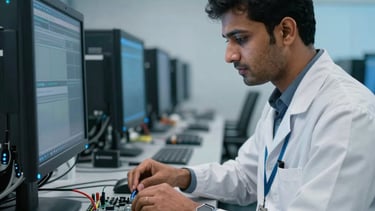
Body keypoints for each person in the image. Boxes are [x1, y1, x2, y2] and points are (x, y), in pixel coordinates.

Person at [128, 0, 375, 210]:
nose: (229, 56)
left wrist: (193, 209)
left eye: (241, 38)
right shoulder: (282, 100)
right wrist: (181, 176)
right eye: (228, 40)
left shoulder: (348, 114)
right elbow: (246, 176)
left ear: (286, 31)